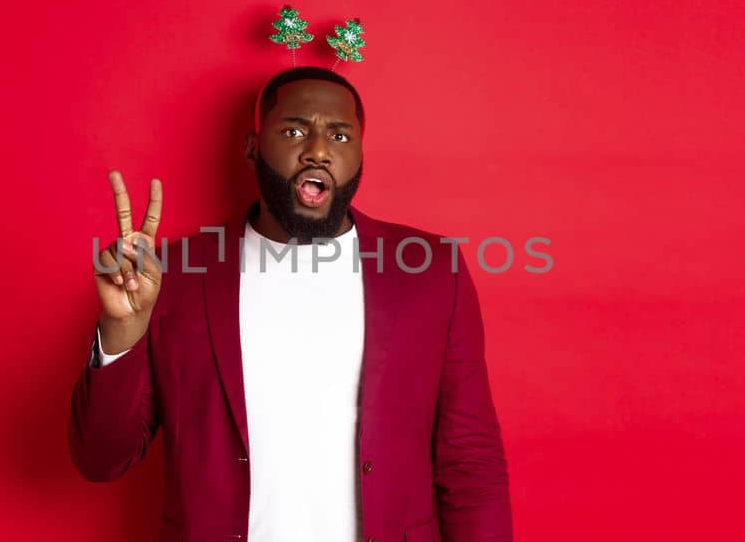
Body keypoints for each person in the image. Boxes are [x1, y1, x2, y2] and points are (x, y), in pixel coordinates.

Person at [71, 66, 512, 541]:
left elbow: (470, 460)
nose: (319, 150)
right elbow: (101, 459)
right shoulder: (171, 275)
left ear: (361, 154)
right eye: (295, 130)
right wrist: (123, 329)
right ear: (252, 148)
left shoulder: (429, 272)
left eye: (340, 135)